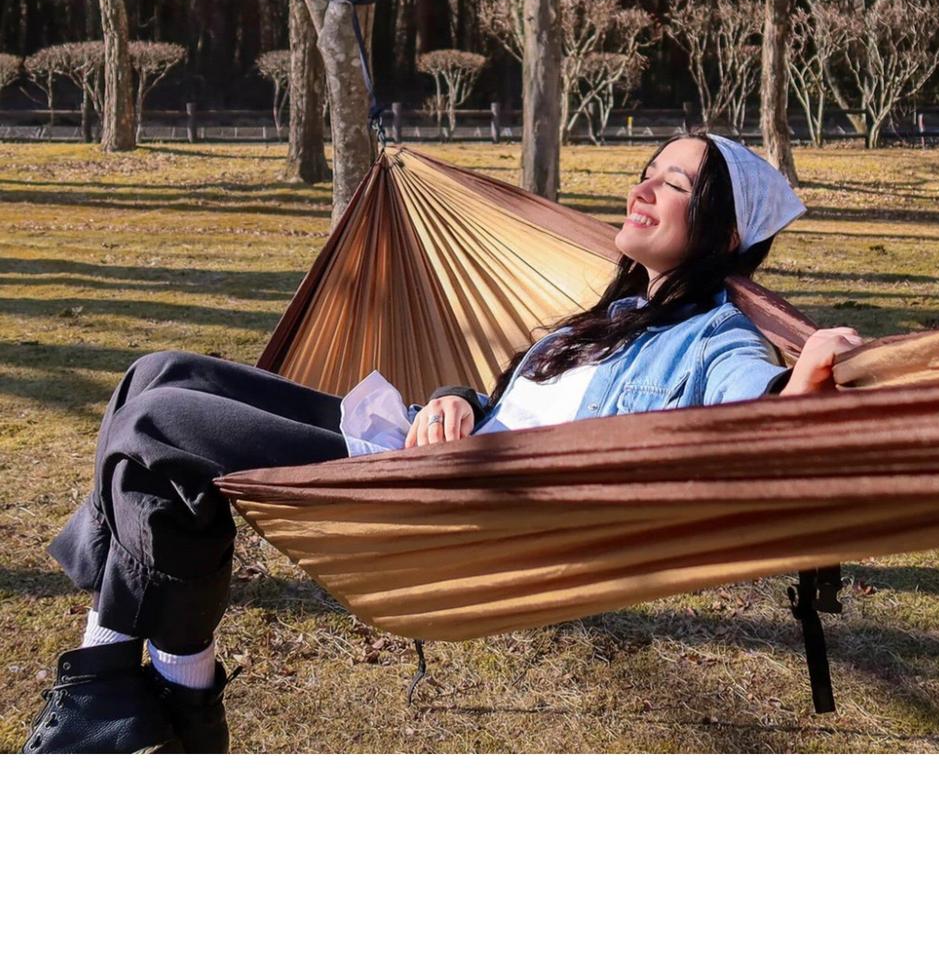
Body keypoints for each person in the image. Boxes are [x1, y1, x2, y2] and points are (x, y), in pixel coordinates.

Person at [21, 131, 861, 754]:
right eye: (647, 171)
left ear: (723, 234)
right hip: (427, 446)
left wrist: (810, 378)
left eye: (672, 183)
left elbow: (755, 415)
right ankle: (180, 700)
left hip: (454, 504)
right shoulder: (611, 315)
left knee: (161, 429)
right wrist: (455, 400)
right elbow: (506, 404)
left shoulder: (716, 338)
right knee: (156, 374)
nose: (640, 188)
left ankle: (110, 691)